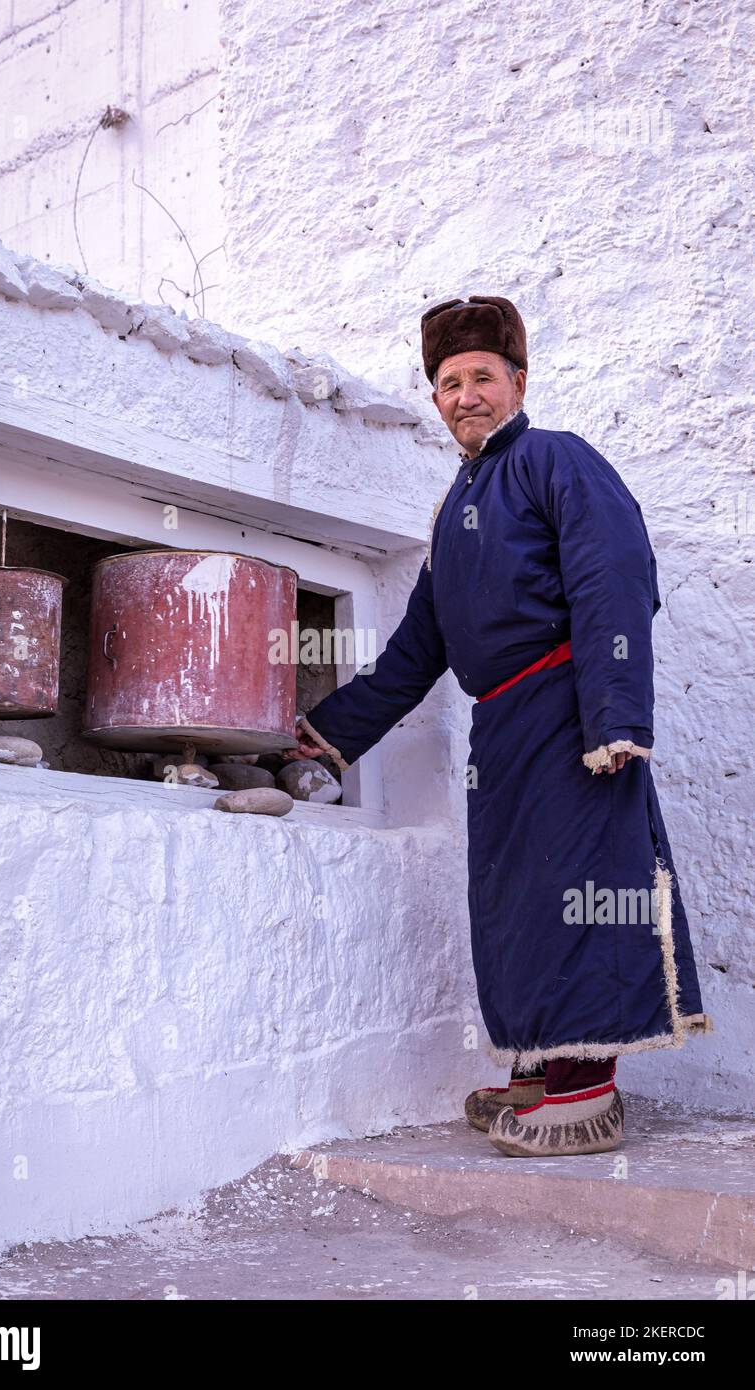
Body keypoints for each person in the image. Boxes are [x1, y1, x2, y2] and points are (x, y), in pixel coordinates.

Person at [285, 294, 711, 1157]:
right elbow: (419, 647)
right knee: (512, 902)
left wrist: (615, 716)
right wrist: (327, 732)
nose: (465, 395)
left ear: (519, 381)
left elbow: (612, 575)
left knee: (580, 891)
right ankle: (539, 1071)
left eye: (483, 376)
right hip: (502, 729)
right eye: (448, 382)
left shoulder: (558, 461)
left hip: (570, 711)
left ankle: (587, 1095)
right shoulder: (453, 512)